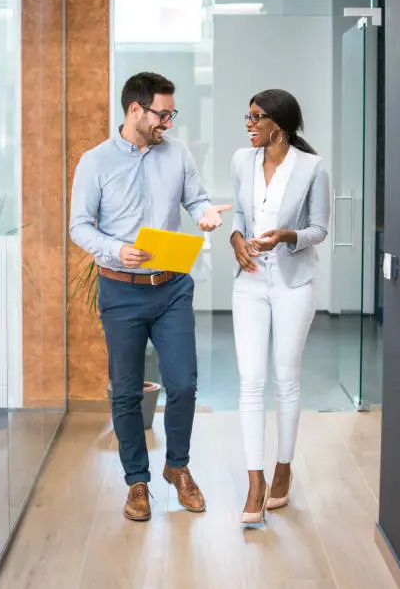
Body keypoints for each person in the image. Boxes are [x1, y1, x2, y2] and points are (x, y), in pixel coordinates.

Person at [70, 72, 230, 521]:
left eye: (171, 114)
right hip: (120, 290)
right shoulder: (95, 162)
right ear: (135, 110)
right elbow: (79, 226)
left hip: (173, 287)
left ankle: (177, 468)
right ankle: (136, 482)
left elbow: (196, 200)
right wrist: (116, 249)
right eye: (163, 113)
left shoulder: (177, 154)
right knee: (125, 391)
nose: (169, 123)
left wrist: (205, 214)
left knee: (182, 383)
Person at [230, 89, 330, 526]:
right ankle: (255, 481)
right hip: (250, 282)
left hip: (293, 283)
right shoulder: (241, 161)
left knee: (285, 379)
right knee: (251, 380)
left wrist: (286, 236)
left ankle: (283, 468)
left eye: (257, 117)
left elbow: (320, 229)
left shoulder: (312, 167)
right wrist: (236, 241)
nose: (249, 124)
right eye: (247, 116)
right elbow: (237, 213)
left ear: (280, 125)